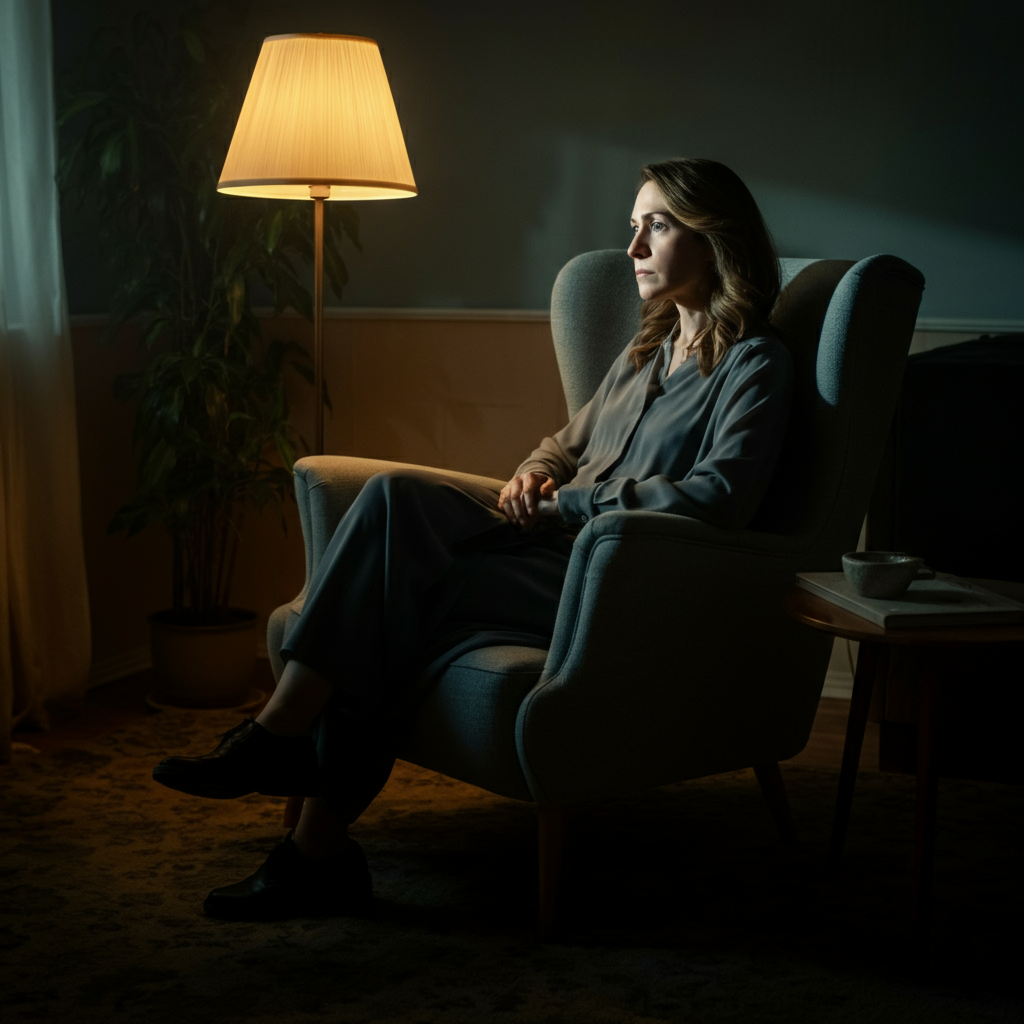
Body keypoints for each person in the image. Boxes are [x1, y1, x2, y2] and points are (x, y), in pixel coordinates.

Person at [152, 158, 794, 921]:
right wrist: (530, 472)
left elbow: (718, 498)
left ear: (714, 235)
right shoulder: (644, 353)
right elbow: (564, 441)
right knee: (396, 516)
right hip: (542, 550)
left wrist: (568, 505)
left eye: (655, 226)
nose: (633, 249)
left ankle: (292, 772)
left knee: (402, 591)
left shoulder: (755, 364)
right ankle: (309, 833)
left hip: (611, 581)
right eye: (633, 228)